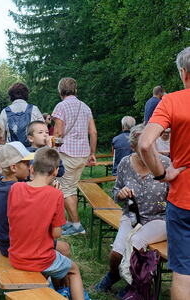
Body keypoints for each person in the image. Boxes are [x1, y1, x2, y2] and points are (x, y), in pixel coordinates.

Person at [138, 46, 190, 300]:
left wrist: (161, 174)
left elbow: (145, 144)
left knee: (183, 272)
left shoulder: (171, 101)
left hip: (183, 198)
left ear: (183, 72)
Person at [95, 124, 170, 295]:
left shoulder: (166, 164)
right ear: (133, 147)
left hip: (159, 218)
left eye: (151, 146)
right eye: (143, 148)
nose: (148, 151)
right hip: (131, 215)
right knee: (116, 253)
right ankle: (112, 276)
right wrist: (121, 194)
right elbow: (115, 191)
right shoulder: (125, 163)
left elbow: (176, 195)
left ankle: (135, 287)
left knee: (135, 243)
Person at [8, 147, 86, 300]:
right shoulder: (56, 195)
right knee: (74, 270)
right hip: (41, 260)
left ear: (31, 168)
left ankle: (58, 292)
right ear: (56, 171)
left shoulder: (15, 188)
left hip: (15, 256)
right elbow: (56, 233)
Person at [52, 77, 97, 236]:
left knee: (64, 189)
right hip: (83, 154)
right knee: (71, 187)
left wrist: (51, 151)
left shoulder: (61, 107)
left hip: (67, 153)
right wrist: (92, 153)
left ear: (60, 90)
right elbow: (93, 132)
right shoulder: (85, 107)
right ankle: (71, 222)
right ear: (75, 89)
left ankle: (77, 225)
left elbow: (57, 133)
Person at [0, 142, 34, 257]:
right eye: (26, 163)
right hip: (15, 246)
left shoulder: (1, 184)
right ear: (13, 167)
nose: (30, 167)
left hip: (4, 243)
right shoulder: (17, 189)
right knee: (64, 248)